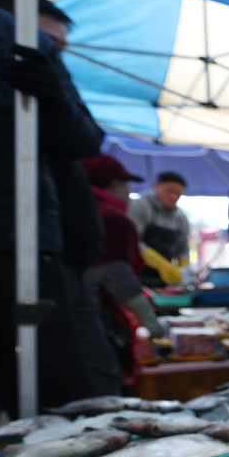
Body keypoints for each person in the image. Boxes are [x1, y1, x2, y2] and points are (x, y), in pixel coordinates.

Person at [0, 0, 120, 396]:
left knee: (88, 385)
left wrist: (55, 99)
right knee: (72, 391)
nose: (57, 57)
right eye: (49, 45)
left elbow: (87, 137)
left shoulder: (49, 97)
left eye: (58, 47)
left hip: (68, 258)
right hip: (27, 262)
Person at [84, 155, 166, 383]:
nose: (130, 193)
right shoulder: (111, 218)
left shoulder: (82, 210)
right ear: (114, 185)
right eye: (128, 186)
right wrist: (146, 316)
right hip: (97, 313)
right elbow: (113, 271)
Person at [129, 171, 191, 287]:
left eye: (178, 193)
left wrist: (184, 268)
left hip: (164, 280)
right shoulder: (139, 206)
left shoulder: (181, 218)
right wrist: (160, 264)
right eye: (169, 190)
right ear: (155, 186)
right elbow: (132, 240)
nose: (173, 196)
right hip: (135, 275)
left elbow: (183, 249)